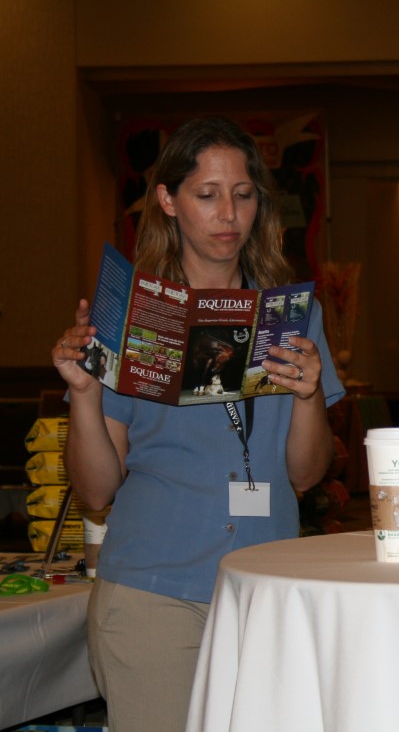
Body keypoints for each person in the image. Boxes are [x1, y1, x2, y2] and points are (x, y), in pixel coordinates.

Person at [51, 117, 345, 732]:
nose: (228, 214)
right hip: (154, 593)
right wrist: (83, 394)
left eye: (243, 194)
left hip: (269, 587)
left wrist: (309, 394)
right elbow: (97, 489)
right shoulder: (131, 317)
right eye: (207, 195)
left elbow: (306, 475)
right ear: (168, 200)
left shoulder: (294, 315)